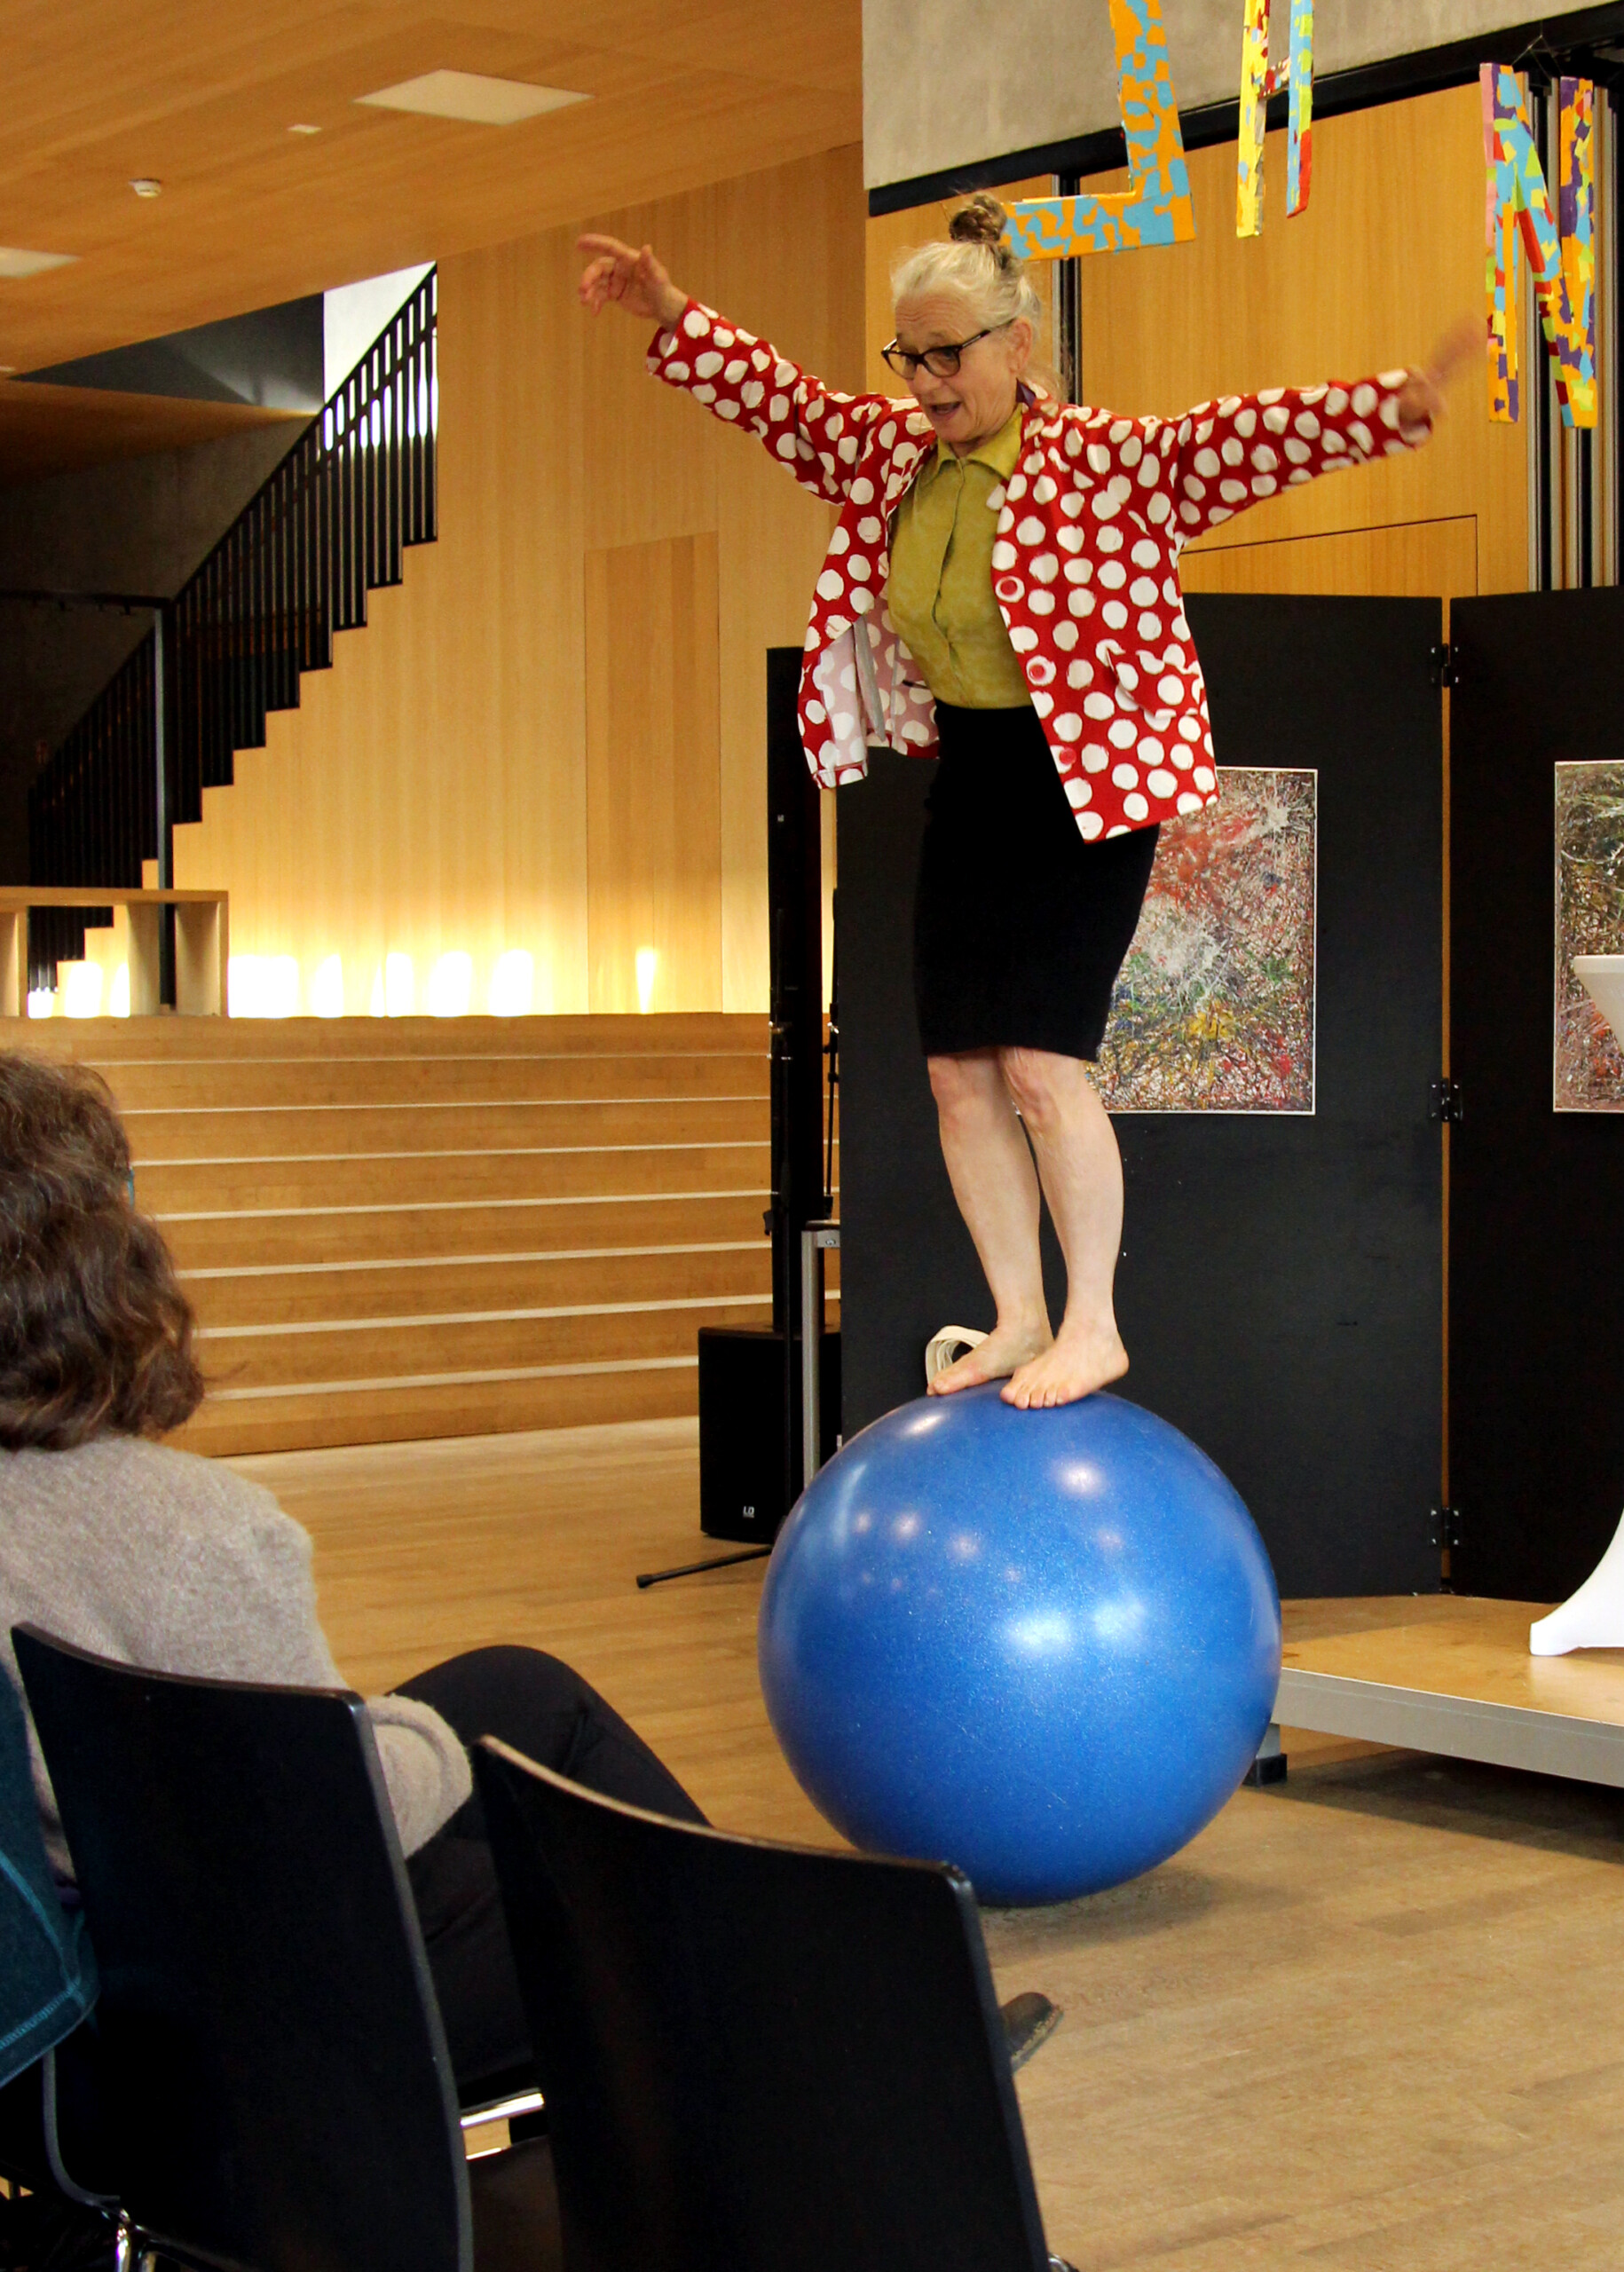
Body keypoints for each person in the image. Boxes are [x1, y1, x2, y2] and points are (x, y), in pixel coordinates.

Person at [579, 196, 1476, 1408]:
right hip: (976, 776)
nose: (926, 383)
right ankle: (1017, 1316)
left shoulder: (1104, 462)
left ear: (1016, 344)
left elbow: (1241, 437)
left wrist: (1390, 406)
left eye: (949, 355)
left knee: (1043, 1065)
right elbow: (781, 404)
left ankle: (1093, 1323)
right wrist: (670, 311)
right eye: (909, 357)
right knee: (957, 1072)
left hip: (1086, 784)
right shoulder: (890, 455)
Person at [0, 1049, 706, 2093]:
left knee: (526, 1691)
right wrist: (412, 1741)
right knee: (661, 1926)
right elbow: (332, 1823)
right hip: (249, 2002)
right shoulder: (190, 1533)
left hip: (102, 1922)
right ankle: (795, 2023)